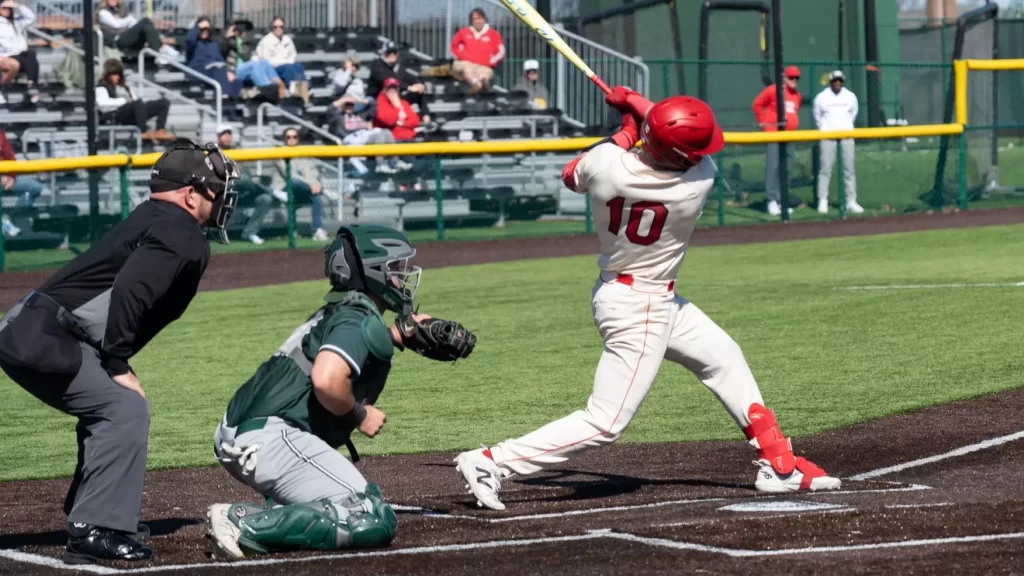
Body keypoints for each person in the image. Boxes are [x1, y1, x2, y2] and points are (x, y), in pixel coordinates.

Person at [455, 87, 841, 511]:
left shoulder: (605, 167)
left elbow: (572, 173)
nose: (699, 154)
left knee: (724, 357)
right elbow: (669, 137)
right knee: (606, 422)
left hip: (641, 297)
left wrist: (626, 129)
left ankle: (778, 464)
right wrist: (635, 104)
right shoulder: (698, 180)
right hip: (640, 309)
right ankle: (491, 461)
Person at [0, 139, 239, 564]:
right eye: (214, 190)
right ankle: (95, 527)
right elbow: (132, 288)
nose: (219, 198)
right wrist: (117, 363)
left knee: (109, 408)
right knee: (123, 409)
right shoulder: (180, 230)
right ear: (190, 194)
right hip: (44, 335)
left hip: (38, 328)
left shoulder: (157, 217)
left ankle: (92, 510)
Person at [206, 224, 476, 561]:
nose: (402, 277)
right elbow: (325, 379)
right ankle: (240, 522)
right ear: (372, 272)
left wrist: (397, 335)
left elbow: (340, 350)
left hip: (249, 432)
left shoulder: (343, 311)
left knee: (339, 505)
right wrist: (360, 416)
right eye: (394, 269)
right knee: (369, 517)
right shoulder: (354, 319)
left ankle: (287, 507)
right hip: (270, 439)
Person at [751, 65, 802, 216]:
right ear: (784, 78)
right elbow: (757, 104)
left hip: (789, 135)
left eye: (796, 78)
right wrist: (762, 120)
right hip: (773, 134)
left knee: (786, 169)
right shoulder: (773, 90)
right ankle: (771, 200)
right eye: (791, 77)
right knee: (773, 167)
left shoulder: (796, 95)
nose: (794, 80)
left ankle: (781, 199)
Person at [813, 70, 863, 214]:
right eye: (835, 80)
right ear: (830, 82)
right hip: (828, 135)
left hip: (846, 135)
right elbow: (817, 116)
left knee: (849, 169)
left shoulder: (850, 96)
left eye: (840, 80)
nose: (837, 83)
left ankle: (851, 201)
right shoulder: (821, 97)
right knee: (825, 169)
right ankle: (823, 200)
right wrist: (825, 128)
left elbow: (853, 113)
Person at [217, 124, 275, 244]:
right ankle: (273, 191)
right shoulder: (212, 153)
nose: (227, 137)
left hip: (242, 193)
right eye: (224, 134)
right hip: (224, 194)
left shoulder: (238, 152)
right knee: (238, 180)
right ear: (218, 136)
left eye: (229, 133)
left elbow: (246, 175)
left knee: (265, 198)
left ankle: (250, 233)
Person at [95, 58, 174, 142]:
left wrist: (136, 103)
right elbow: (102, 104)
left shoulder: (125, 87)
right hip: (115, 114)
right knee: (137, 103)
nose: (116, 77)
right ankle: (142, 131)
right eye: (114, 74)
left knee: (163, 102)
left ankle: (160, 130)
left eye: (118, 74)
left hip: (132, 111)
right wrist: (123, 101)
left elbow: (136, 101)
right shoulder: (102, 87)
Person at [272, 127, 328, 241]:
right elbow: (289, 175)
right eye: (288, 137)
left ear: (298, 139)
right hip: (283, 189)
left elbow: (310, 173)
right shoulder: (279, 153)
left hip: (301, 188)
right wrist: (311, 185)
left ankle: (317, 229)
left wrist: (315, 184)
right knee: (295, 182)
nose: (291, 139)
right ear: (284, 139)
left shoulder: (302, 153)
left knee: (316, 197)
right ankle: (324, 191)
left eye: (294, 137)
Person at [219, 17, 286, 101]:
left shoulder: (247, 43)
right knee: (255, 64)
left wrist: (244, 41)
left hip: (246, 69)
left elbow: (248, 56)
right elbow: (220, 52)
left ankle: (279, 86)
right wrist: (227, 37)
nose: (243, 31)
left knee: (264, 62)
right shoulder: (227, 41)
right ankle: (268, 90)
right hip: (233, 71)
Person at [367, 42, 432, 126]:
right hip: (378, 99)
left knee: (419, 92)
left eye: (394, 52)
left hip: (394, 98)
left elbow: (409, 77)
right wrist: (409, 87)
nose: (392, 55)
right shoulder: (377, 66)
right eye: (389, 52)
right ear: (383, 53)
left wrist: (418, 84)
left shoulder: (397, 66)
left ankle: (427, 121)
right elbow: (389, 82)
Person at [95, 0, 179, 58]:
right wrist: (127, 20)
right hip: (117, 39)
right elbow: (117, 24)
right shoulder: (103, 12)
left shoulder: (122, 10)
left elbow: (133, 23)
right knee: (145, 21)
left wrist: (124, 20)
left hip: (127, 36)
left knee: (146, 25)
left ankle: (161, 48)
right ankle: (159, 50)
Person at [449, 8, 505, 95]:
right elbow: (453, 47)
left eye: (479, 18)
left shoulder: (493, 34)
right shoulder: (463, 32)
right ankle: (476, 84)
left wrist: (491, 62)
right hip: (466, 63)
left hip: (484, 65)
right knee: (467, 69)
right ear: (471, 21)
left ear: (484, 19)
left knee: (484, 74)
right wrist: (460, 56)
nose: (477, 21)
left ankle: (480, 85)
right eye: (474, 19)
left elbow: (501, 52)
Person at [254, 16, 309, 104]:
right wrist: (285, 62)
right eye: (275, 27)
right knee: (288, 68)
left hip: (287, 65)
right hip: (272, 69)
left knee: (299, 66)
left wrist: (287, 62)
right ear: (272, 28)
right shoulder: (266, 41)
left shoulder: (287, 39)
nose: (278, 29)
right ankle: (295, 92)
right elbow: (267, 61)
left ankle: (305, 90)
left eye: (281, 27)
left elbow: (293, 55)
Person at [185, 17, 242, 99]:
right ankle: (225, 95)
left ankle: (235, 99)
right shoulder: (194, 43)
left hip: (215, 69)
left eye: (207, 29)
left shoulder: (213, 43)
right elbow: (189, 39)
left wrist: (227, 71)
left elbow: (219, 58)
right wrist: (199, 26)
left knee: (235, 78)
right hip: (198, 69)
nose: (205, 31)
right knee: (218, 69)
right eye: (202, 30)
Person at [0, 0, 39, 104]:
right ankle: (33, 88)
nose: (7, 10)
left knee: (31, 54)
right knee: (17, 64)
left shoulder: (16, 20)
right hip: (6, 55)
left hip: (20, 54)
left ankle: (31, 84)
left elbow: (31, 18)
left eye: (9, 8)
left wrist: (18, 6)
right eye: (4, 8)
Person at [1, 127, 44, 208]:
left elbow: (11, 159)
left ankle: (16, 215)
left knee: (34, 187)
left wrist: (11, 177)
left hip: (5, 177)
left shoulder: (1, 135)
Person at [374, 77, 420, 142]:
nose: (392, 91)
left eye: (394, 88)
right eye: (389, 88)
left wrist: (404, 124)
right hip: (392, 141)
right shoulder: (379, 103)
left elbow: (416, 121)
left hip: (410, 138)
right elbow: (389, 121)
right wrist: (397, 107)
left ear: (398, 90)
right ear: (384, 90)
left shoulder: (404, 103)